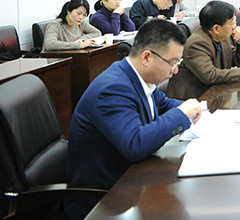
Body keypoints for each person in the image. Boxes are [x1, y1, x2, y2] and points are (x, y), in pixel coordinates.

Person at [65, 20, 202, 220]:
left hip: (130, 180)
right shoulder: (113, 89)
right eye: (172, 63)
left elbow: (162, 104)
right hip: (105, 199)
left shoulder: (136, 77)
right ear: (146, 57)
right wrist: (181, 114)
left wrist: (192, 110)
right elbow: (135, 145)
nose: (175, 70)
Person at [166, 0, 240, 100]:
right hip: (193, 98)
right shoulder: (197, 44)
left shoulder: (222, 37)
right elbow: (210, 76)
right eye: (231, 22)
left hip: (214, 93)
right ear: (216, 28)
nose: (235, 25)